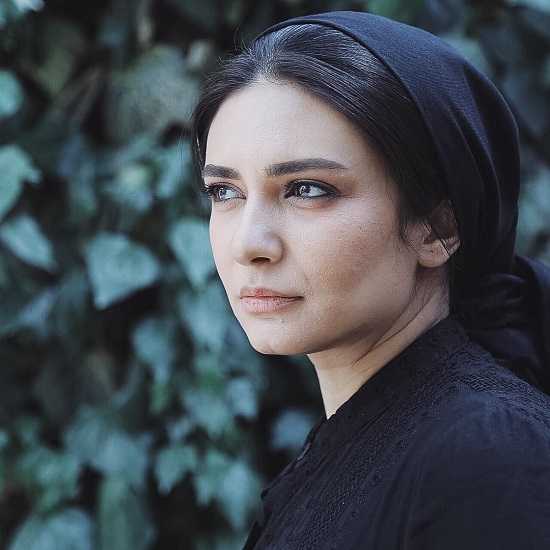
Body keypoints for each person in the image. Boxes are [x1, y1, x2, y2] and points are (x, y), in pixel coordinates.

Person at [191, 11, 550, 549]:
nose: (248, 244)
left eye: (307, 189)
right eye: (226, 192)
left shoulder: (489, 458)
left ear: (439, 228)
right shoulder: (376, 437)